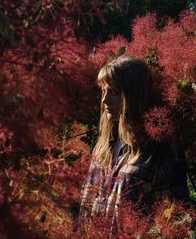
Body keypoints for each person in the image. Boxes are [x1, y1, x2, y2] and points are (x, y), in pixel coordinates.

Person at [78, 56, 189, 230]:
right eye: (103, 90)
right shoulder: (103, 147)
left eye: (114, 92)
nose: (104, 100)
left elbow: (174, 223)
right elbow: (85, 215)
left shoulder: (161, 151)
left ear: (134, 97)